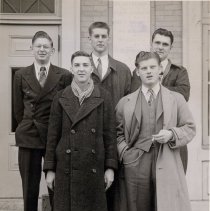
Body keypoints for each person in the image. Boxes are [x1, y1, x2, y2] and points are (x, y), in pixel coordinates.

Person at [116, 51, 196, 211]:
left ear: (160, 69)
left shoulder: (176, 99)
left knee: (166, 205)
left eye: (152, 67)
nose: (149, 71)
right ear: (137, 72)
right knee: (136, 206)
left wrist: (172, 134)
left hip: (167, 160)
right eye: (144, 68)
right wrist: (126, 153)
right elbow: (116, 133)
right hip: (135, 166)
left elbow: (190, 127)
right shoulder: (125, 102)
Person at [43, 51, 118, 211]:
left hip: (94, 168)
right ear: (71, 68)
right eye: (77, 65)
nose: (81, 69)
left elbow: (110, 136)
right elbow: (52, 136)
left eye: (85, 65)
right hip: (65, 169)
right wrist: (50, 169)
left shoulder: (104, 96)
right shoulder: (60, 97)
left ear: (92, 68)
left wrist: (110, 168)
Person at [13, 31, 72, 211]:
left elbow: (66, 108)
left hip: (52, 137)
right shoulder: (21, 75)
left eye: (46, 46)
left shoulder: (64, 75)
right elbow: (18, 110)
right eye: (38, 46)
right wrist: (28, 124)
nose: (42, 50)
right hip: (28, 137)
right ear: (32, 49)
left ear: (52, 50)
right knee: (29, 188)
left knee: (56, 185)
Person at [131, 28, 190, 172]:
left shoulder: (179, 72)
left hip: (171, 137)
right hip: (145, 140)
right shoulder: (138, 72)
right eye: (157, 42)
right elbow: (135, 98)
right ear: (151, 44)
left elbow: (183, 96)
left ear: (171, 47)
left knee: (172, 186)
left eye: (165, 44)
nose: (160, 47)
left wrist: (154, 88)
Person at [88, 21, 131, 107]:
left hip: (115, 119)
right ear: (90, 39)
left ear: (109, 39)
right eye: (96, 36)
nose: (100, 40)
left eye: (103, 36)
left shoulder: (123, 69)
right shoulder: (81, 68)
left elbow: (129, 101)